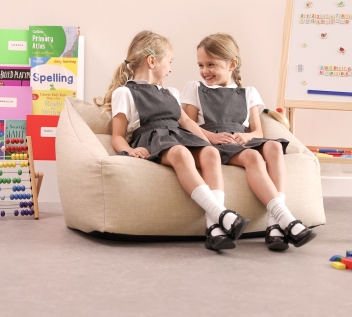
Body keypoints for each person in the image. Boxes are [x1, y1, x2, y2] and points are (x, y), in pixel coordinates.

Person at [94, 30, 250, 251]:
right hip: (153, 138)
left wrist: (209, 141)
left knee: (210, 153)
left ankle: (214, 228)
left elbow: (187, 122)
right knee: (180, 153)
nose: (170, 69)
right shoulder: (125, 93)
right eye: (169, 62)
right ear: (152, 62)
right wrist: (129, 150)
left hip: (178, 135)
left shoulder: (171, 93)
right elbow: (117, 135)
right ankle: (221, 214)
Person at [181, 33, 316, 251]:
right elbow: (188, 125)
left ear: (232, 64)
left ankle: (274, 224)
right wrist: (212, 137)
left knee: (274, 145)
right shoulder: (194, 88)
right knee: (253, 156)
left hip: (239, 141)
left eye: (211, 64)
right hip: (214, 142)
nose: (204, 70)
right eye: (201, 65)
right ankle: (285, 219)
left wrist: (246, 136)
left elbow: (258, 131)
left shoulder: (248, 93)